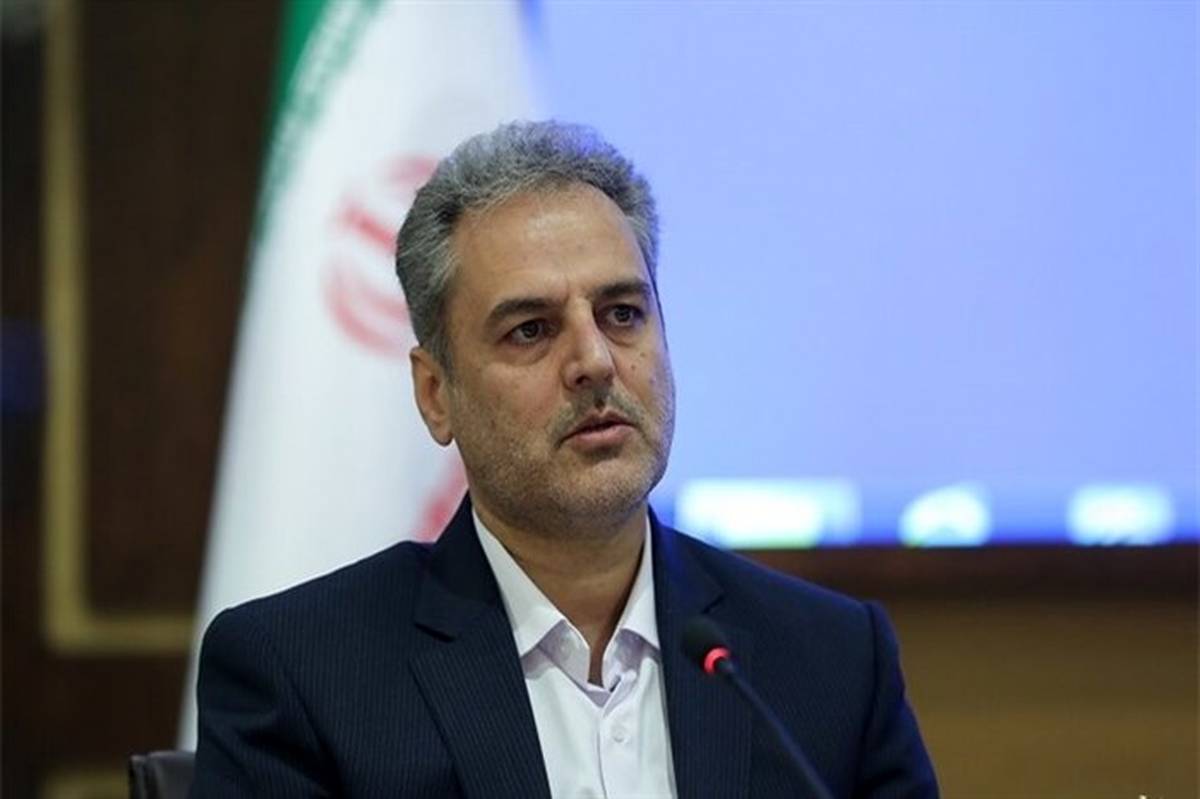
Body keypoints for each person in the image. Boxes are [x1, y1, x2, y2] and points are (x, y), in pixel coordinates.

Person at [190, 121, 939, 798]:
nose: (594, 361)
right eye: (531, 329)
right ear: (435, 394)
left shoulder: (831, 663)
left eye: (622, 314)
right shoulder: (303, 677)